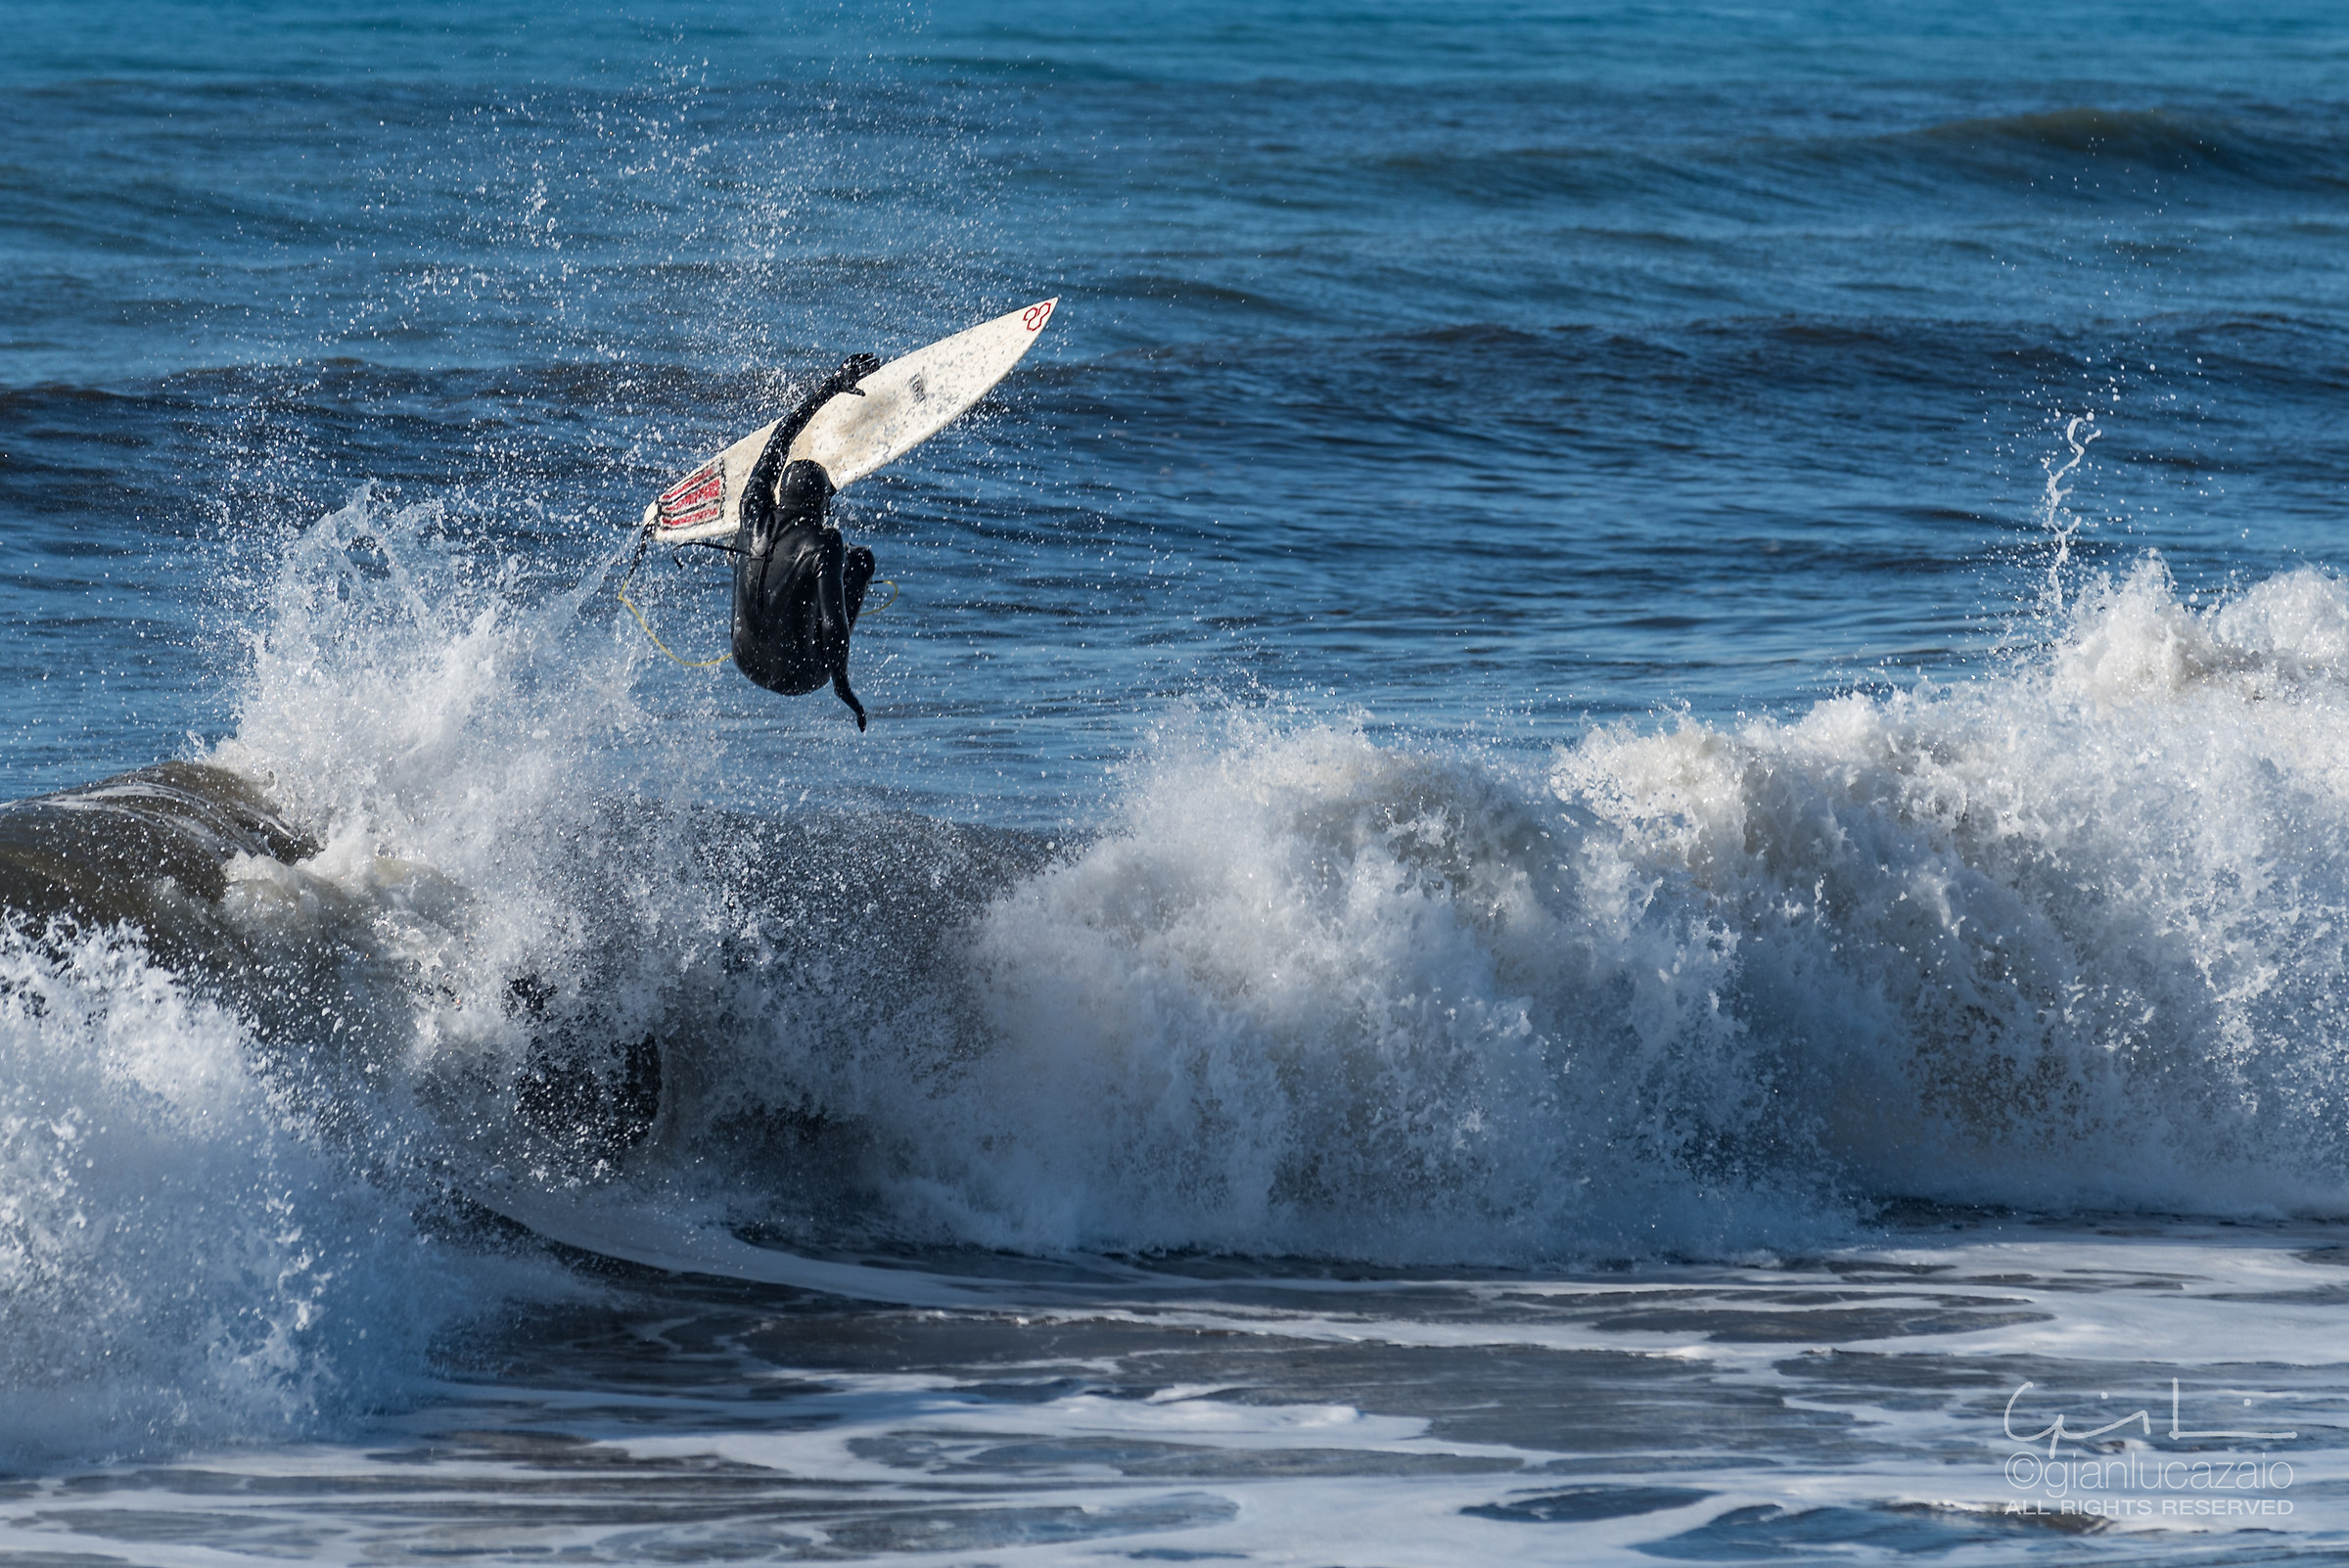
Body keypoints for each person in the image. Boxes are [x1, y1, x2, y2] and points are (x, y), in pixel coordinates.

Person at [731, 353, 884, 728]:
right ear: (820, 504)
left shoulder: (752, 507)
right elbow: (834, 625)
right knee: (859, 561)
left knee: (750, 549)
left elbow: (780, 438)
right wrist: (843, 688)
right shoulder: (825, 543)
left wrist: (832, 386)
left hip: (743, 657)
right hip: (799, 676)